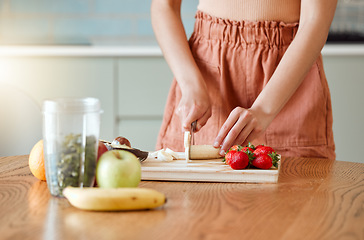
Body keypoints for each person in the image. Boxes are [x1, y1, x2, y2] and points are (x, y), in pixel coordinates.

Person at [151, 0, 337, 159]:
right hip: (207, 80)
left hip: (288, 80)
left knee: (298, 194)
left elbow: (315, 19)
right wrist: (191, 84)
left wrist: (264, 109)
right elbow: (164, 6)